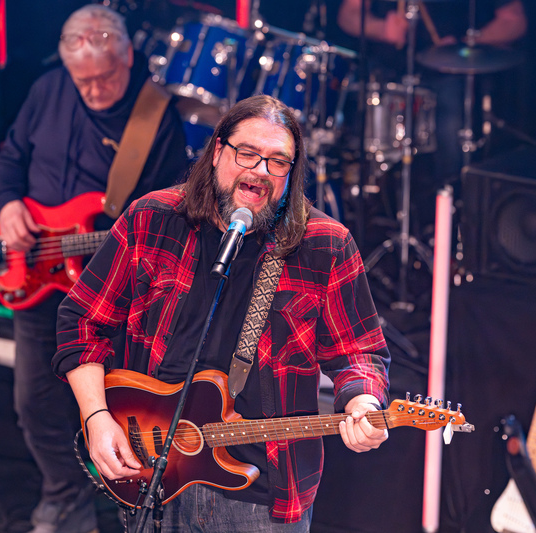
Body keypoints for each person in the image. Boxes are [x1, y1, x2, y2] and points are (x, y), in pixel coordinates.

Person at [53, 94, 391, 531]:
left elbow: (360, 354)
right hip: (152, 476)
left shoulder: (324, 244)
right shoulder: (153, 218)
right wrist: (96, 417)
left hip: (262, 497)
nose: (260, 171)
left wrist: (363, 403)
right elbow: (81, 321)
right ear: (217, 151)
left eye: (278, 161)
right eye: (246, 153)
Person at [0, 5, 189, 532]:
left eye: (106, 77)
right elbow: (10, 159)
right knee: (34, 404)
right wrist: (7, 205)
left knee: (120, 406)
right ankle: (65, 497)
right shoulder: (47, 90)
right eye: (84, 81)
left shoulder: (154, 112)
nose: (96, 91)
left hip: (112, 290)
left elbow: (171, 212)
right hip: (39, 280)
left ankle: (131, 508)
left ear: (128, 57)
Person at [337, 0, 527, 182]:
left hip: (449, 72)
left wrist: (467, 43)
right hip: (387, 72)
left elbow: (514, 20)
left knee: (452, 139)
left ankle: (452, 195)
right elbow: (349, 14)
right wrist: (381, 29)